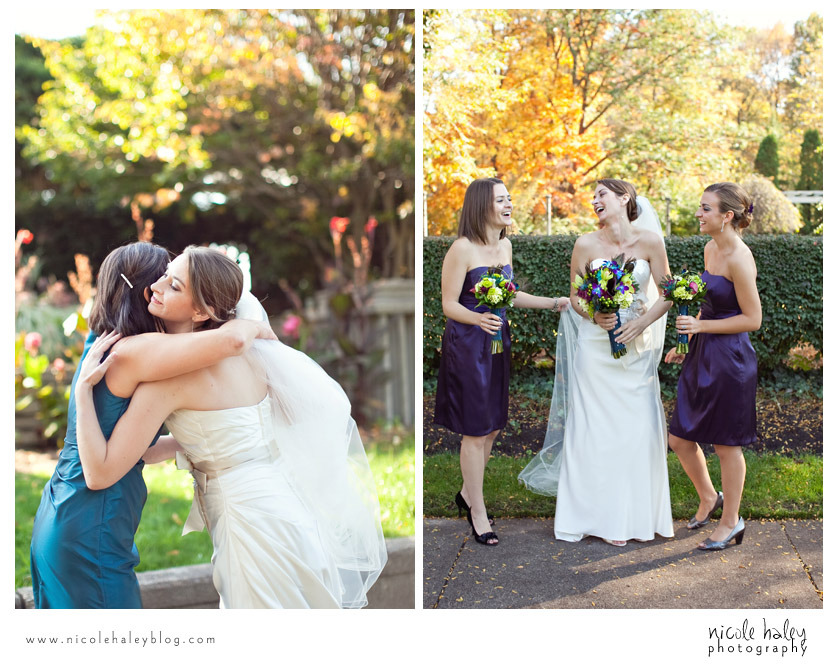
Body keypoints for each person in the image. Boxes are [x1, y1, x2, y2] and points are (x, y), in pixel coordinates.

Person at [74, 246, 387, 607]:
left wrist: (83, 392)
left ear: (200, 310)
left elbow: (101, 473)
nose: (154, 287)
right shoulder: (252, 356)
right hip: (286, 504)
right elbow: (216, 434)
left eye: (173, 285)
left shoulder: (172, 378)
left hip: (248, 519)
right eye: (164, 275)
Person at [29, 241, 276, 609]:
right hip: (91, 524)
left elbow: (135, 447)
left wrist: (204, 443)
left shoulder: (104, 339)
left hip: (61, 512)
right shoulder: (137, 350)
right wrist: (254, 324)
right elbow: (232, 340)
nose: (164, 283)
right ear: (146, 291)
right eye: (164, 277)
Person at [519, 178, 674, 546]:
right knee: (593, 429)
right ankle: (593, 518)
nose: (594, 201)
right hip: (595, 348)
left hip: (634, 350)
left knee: (636, 429)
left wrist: (640, 322)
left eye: (601, 194)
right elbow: (575, 296)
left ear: (624, 198)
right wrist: (594, 315)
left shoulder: (651, 242)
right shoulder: (585, 244)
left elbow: (668, 294)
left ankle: (633, 518)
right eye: (592, 196)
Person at [434, 177, 570, 546]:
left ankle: (467, 492)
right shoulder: (461, 249)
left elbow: (510, 296)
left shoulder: (505, 246)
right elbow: (448, 304)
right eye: (501, 200)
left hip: (497, 344)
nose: (509, 204)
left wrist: (554, 302)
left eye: (510, 199)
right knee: (475, 430)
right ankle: (477, 512)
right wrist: (477, 318)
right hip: (468, 345)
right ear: (481, 206)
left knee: (493, 426)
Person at [666, 182, 761, 550]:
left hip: (731, 361)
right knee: (679, 437)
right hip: (702, 353)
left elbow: (753, 319)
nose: (699, 214)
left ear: (727, 216)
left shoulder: (739, 257)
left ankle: (731, 522)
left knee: (726, 445)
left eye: (705, 208)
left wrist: (701, 326)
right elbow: (707, 306)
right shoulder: (710, 248)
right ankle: (709, 495)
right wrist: (686, 340)